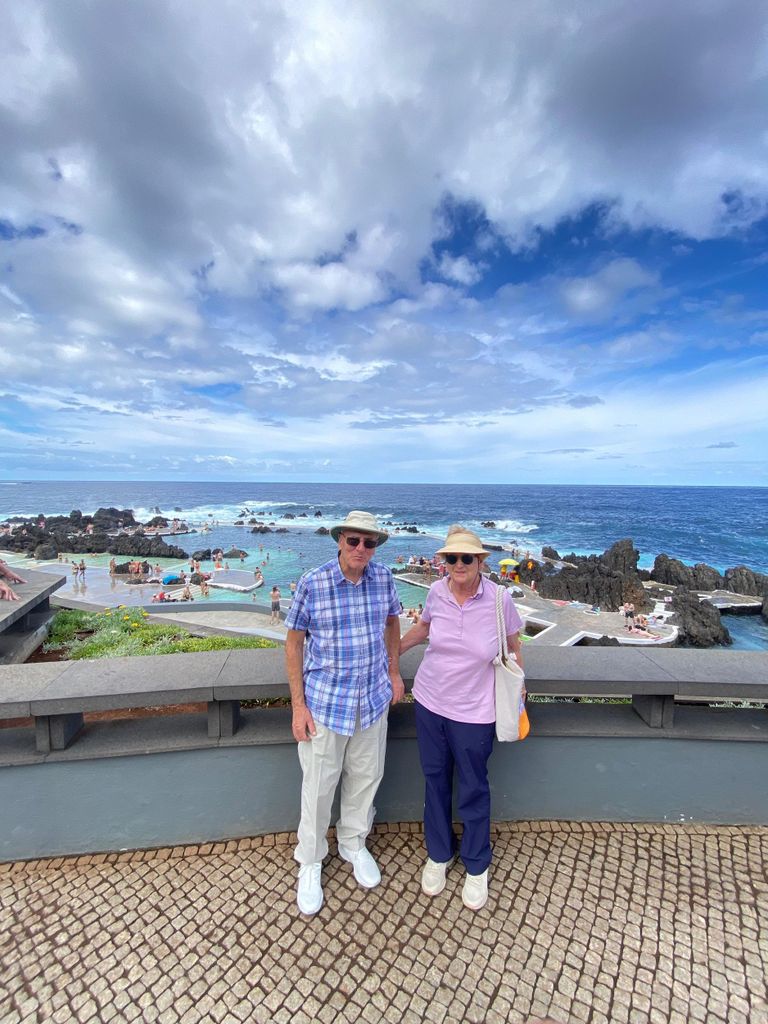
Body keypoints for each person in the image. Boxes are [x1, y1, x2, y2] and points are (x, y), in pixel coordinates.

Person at [285, 510, 403, 916]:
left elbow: (392, 624)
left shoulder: (384, 578)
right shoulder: (313, 583)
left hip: (371, 699)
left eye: (369, 543)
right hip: (325, 704)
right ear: (339, 540)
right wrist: (298, 706)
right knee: (318, 788)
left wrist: (393, 672)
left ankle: (353, 843)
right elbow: (294, 644)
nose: (361, 549)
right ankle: (311, 860)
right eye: (353, 541)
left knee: (366, 778)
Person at [400, 525, 524, 911]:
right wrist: (390, 655)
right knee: (435, 781)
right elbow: (422, 628)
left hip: (474, 713)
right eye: (450, 558)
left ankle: (476, 863)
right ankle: (439, 854)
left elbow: (514, 647)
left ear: (480, 561)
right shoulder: (436, 591)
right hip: (430, 702)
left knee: (473, 786)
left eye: (465, 558)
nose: (457, 564)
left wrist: (520, 692)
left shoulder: (500, 599)